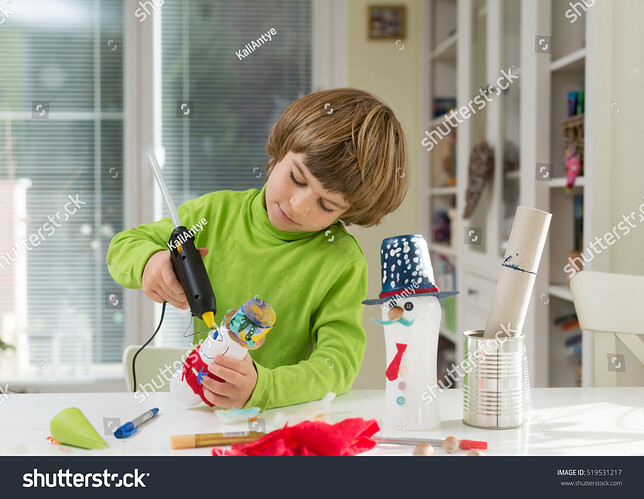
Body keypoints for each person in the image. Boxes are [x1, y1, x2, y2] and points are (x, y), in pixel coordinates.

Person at [106, 88, 408, 410]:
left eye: (326, 204)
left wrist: (265, 388)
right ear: (280, 151)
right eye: (296, 177)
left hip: (283, 418)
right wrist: (149, 262)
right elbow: (122, 248)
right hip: (205, 415)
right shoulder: (213, 215)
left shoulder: (341, 260)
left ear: (348, 213)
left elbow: (338, 364)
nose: (299, 206)